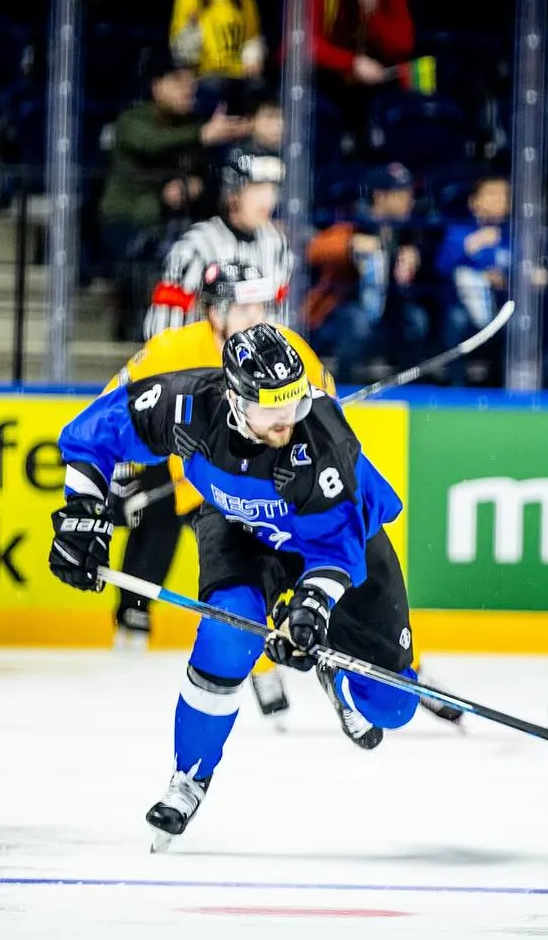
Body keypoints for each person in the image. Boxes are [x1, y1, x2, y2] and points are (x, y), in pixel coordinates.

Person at [50, 323, 419, 850]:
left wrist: (309, 612)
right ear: (233, 398)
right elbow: (92, 435)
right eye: (273, 410)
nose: (288, 422)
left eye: (294, 405)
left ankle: (336, 678)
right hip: (237, 529)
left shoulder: (323, 444)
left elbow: (335, 552)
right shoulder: (183, 405)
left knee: (392, 706)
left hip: (333, 543)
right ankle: (189, 777)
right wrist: (80, 515)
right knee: (228, 636)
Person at [106, 263, 334, 732]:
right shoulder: (173, 349)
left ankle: (355, 662)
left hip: (261, 491)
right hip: (200, 490)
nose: (257, 316)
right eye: (244, 306)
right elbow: (113, 406)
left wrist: (320, 416)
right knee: (232, 581)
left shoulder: (283, 351)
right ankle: (255, 662)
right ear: (214, 312)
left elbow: (326, 406)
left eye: (261, 305)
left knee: (303, 568)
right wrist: (120, 475)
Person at [143, 152, 291, 338]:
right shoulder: (195, 247)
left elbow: (281, 319)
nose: (268, 200)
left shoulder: (278, 245)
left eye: (272, 189)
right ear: (233, 194)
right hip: (203, 361)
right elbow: (162, 329)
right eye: (257, 189)